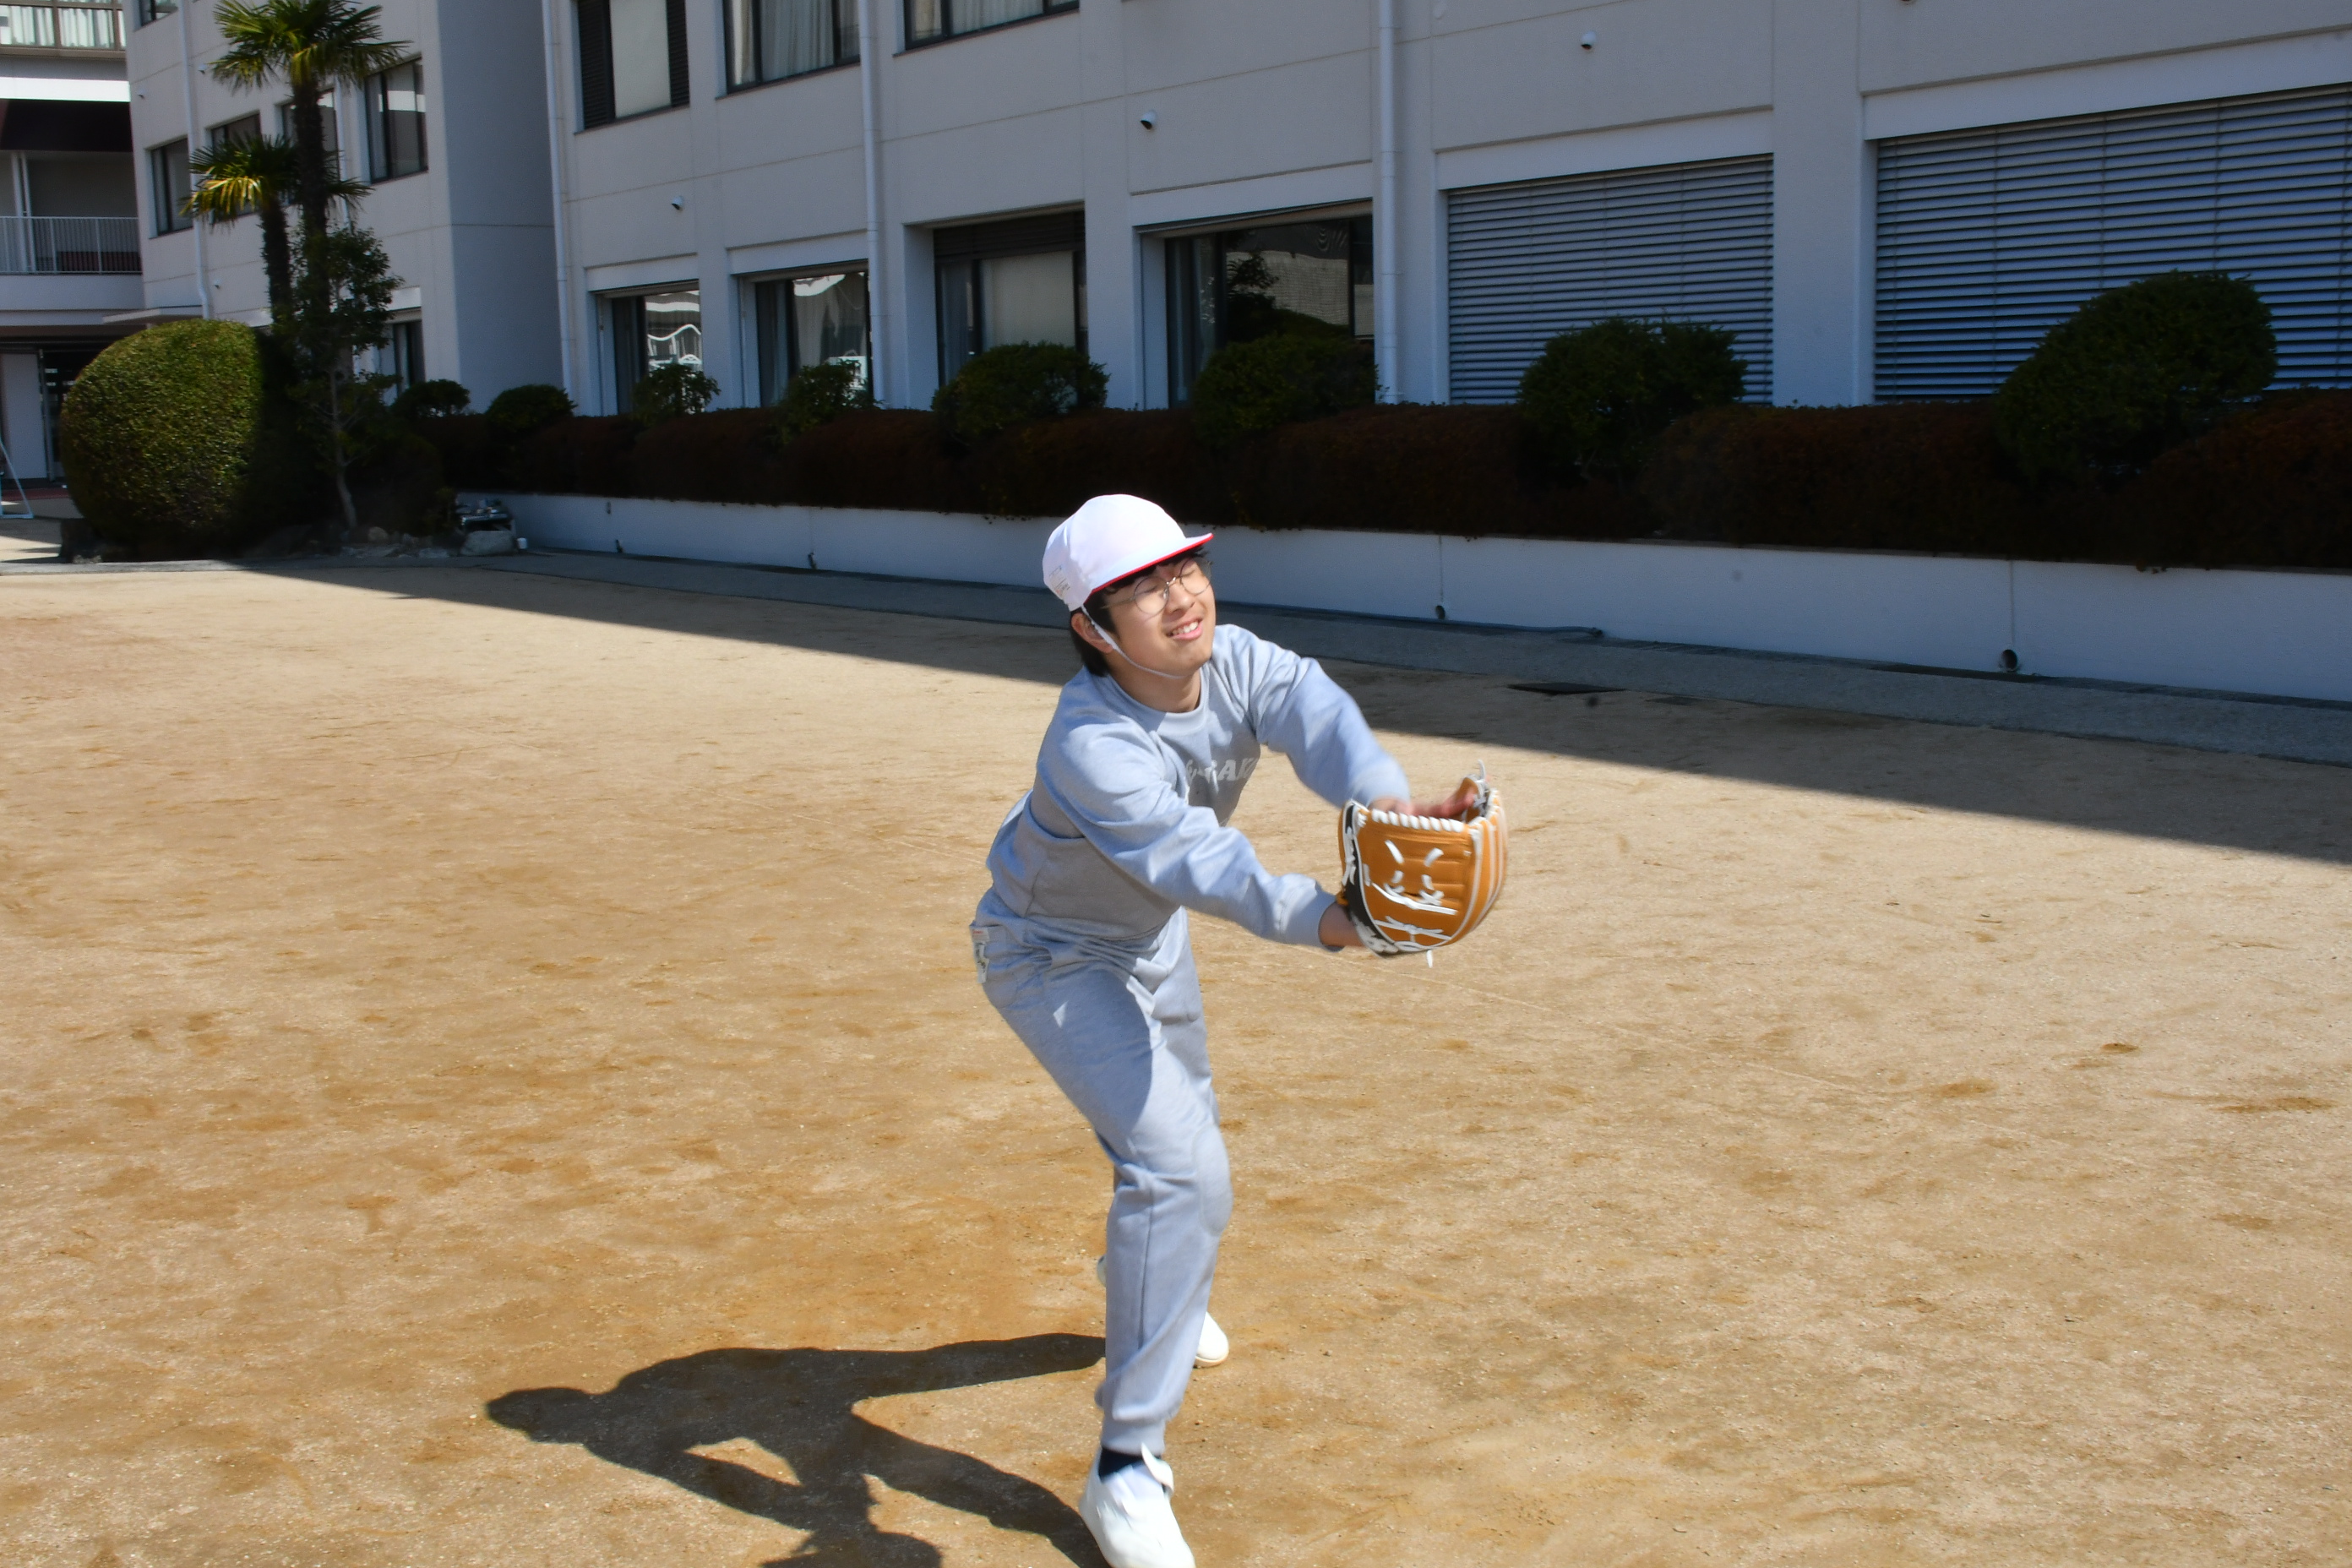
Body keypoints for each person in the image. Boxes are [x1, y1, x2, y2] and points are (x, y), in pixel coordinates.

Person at [970, 494, 1478, 1568]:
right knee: (1180, 1166)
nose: (1179, 596)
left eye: (1184, 567)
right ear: (1092, 627)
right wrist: (1342, 920)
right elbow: (1202, 861)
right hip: (1051, 952)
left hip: (1147, 939)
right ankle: (1126, 1468)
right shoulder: (1091, 740)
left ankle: (1157, 1284)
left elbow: (1319, 716)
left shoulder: (1236, 657)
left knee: (1177, 1157)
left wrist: (1391, 818)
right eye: (1141, 588)